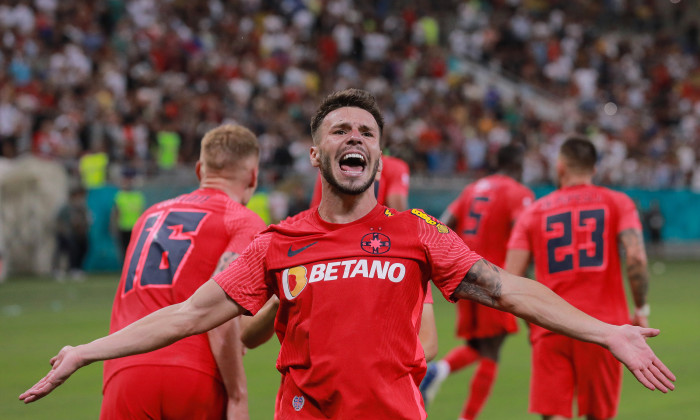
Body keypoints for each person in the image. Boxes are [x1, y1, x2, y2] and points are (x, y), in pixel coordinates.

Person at [20, 90, 675, 420]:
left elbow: (507, 288)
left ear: (378, 158)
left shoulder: (418, 233)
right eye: (341, 130)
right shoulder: (278, 242)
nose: (354, 137)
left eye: (367, 132)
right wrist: (86, 350)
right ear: (317, 154)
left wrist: (609, 331)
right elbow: (189, 315)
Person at [102, 124, 266, 419]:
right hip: (193, 372)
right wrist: (238, 393)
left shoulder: (148, 216)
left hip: (123, 370)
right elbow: (220, 314)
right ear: (253, 175)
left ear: (199, 169)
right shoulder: (244, 221)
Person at [505, 136, 653, 420]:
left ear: (560, 167)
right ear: (594, 169)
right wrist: (641, 309)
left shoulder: (533, 212)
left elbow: (511, 276)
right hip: (605, 327)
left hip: (551, 324)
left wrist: (532, 321)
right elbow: (636, 257)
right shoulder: (617, 202)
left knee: (554, 415)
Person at [243, 151, 439, 362]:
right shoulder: (290, 238)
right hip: (306, 391)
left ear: (376, 171)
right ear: (317, 159)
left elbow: (428, 343)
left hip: (378, 389)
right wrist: (278, 301)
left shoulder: (403, 251)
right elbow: (247, 336)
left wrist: (374, 367)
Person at [420, 143, 534, 418]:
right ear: (518, 166)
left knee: (477, 347)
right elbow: (524, 235)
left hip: (463, 275)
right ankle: (466, 415)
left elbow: (444, 222)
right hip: (493, 277)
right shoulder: (519, 193)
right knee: (492, 350)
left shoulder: (474, 188)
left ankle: (438, 371)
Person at [54, 186, 91, 281]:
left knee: (83, 248)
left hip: (78, 235)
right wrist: (65, 231)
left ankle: (76, 268)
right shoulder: (66, 208)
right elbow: (59, 221)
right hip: (66, 234)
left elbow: (86, 221)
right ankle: (60, 270)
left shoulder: (82, 208)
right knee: (65, 250)